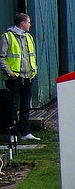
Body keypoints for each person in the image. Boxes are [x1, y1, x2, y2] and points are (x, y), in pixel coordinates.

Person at [1, 13, 39, 141]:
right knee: (13, 105)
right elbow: (1, 57)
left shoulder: (29, 37)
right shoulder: (7, 37)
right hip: (14, 77)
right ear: (22, 23)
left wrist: (34, 70)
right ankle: (12, 133)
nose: (30, 25)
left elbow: (31, 56)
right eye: (28, 22)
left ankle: (25, 132)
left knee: (25, 105)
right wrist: (9, 73)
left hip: (28, 76)